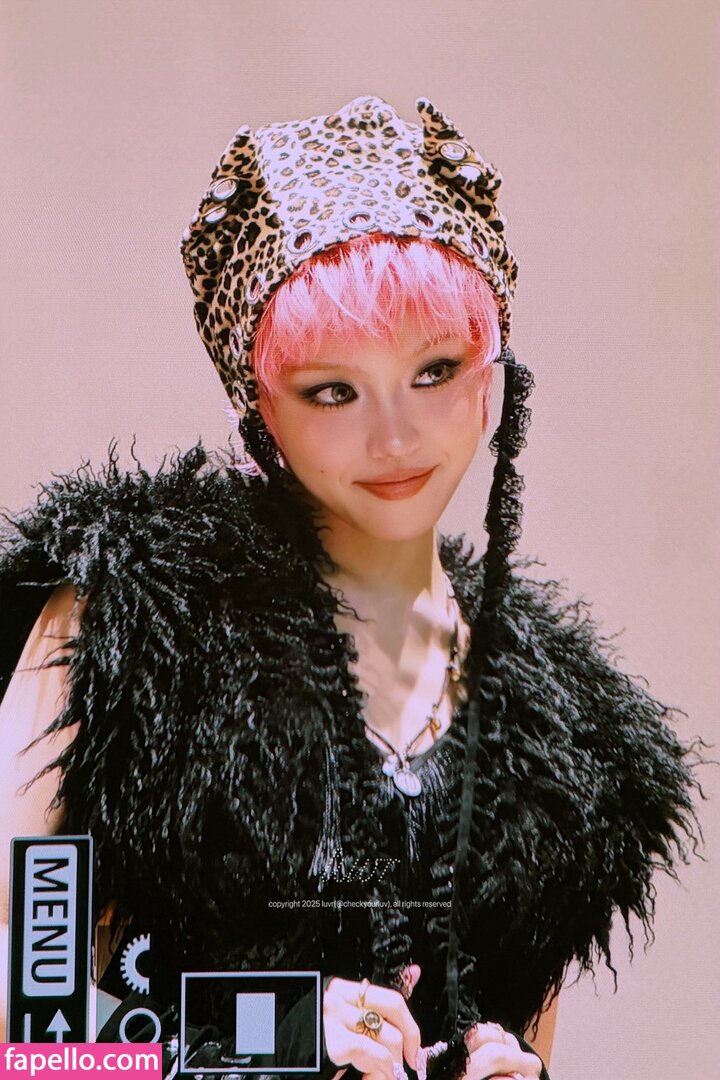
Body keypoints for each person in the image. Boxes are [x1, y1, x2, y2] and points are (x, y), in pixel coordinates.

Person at [0, 96, 699, 1080]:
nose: (396, 436)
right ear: (260, 409)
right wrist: (273, 1034)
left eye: (436, 371)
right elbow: (26, 1024)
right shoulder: (124, 629)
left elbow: (528, 1031)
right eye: (333, 390)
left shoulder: (565, 737)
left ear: (493, 377)